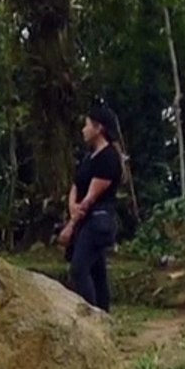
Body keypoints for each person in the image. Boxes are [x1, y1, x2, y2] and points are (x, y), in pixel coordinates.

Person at [58, 104, 128, 312]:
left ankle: (92, 316)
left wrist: (70, 225)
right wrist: (71, 206)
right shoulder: (89, 157)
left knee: (79, 269)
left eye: (87, 125)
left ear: (99, 128)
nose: (83, 129)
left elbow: (90, 197)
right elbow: (76, 185)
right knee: (97, 272)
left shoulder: (108, 158)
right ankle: (103, 316)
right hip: (85, 219)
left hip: (97, 221)